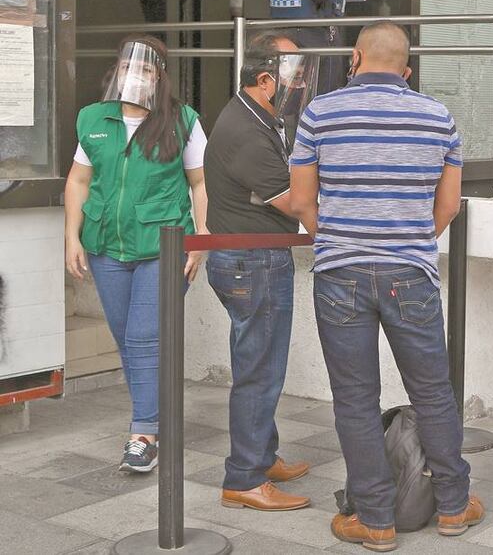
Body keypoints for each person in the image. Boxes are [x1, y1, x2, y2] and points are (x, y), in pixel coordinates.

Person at [289, 22, 483, 550]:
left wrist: (331, 239)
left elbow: (303, 201)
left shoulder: (319, 113)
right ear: (407, 69)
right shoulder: (438, 117)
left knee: (354, 398)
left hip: (339, 275)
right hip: (410, 274)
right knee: (434, 393)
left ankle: (374, 519)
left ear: (355, 58)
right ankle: (452, 506)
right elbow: (447, 207)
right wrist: (410, 241)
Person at [64, 35, 208, 473]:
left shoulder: (182, 120)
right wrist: (72, 236)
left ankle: (142, 433)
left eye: (145, 67)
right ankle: (156, 416)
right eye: (128, 65)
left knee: (145, 338)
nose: (135, 73)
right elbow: (78, 181)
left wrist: (200, 239)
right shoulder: (93, 118)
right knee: (129, 339)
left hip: (163, 247)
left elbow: (200, 183)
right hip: (107, 246)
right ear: (117, 71)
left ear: (159, 75)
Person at [205, 33, 319, 511]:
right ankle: (245, 478)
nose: (299, 82)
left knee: (260, 363)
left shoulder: (256, 118)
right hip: (253, 259)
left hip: (253, 255)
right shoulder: (247, 130)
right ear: (266, 78)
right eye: (292, 72)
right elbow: (294, 200)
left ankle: (262, 456)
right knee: (260, 370)